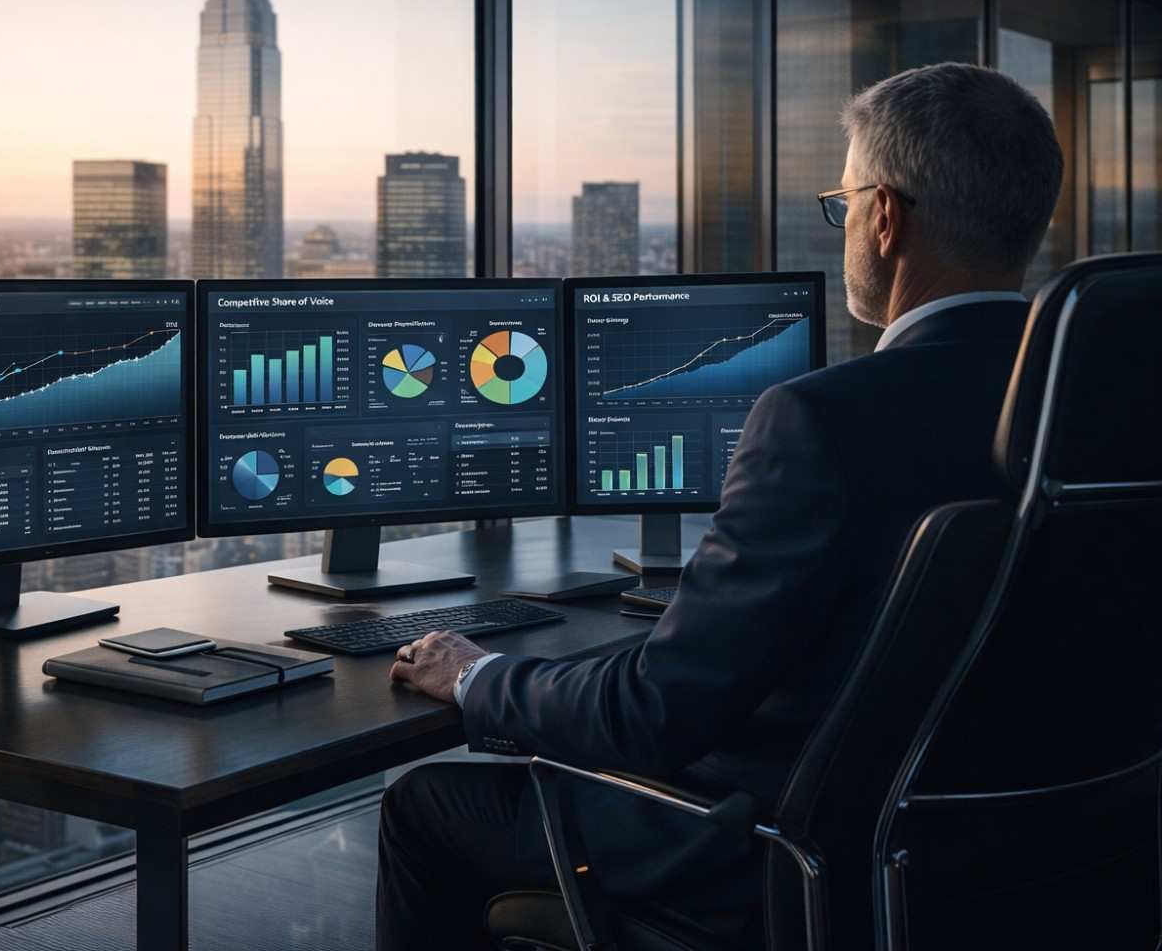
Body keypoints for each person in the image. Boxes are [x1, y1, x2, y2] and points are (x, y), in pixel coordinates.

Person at [376, 61, 1065, 950]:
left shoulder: (824, 420)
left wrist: (474, 674)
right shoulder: (1087, 404)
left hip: (777, 853)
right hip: (1011, 855)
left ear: (885, 218)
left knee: (429, 802)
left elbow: (655, 713)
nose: (845, 222)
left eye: (844, 201)